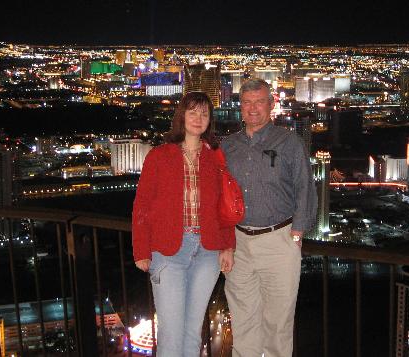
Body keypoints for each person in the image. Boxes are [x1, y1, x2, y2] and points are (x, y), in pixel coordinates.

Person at [132, 91, 235, 357]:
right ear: (182, 116)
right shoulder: (159, 156)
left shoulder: (215, 158)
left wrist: (228, 246)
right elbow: (142, 205)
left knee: (192, 331)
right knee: (171, 332)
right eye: (192, 112)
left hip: (207, 250)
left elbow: (223, 207)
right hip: (168, 251)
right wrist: (141, 250)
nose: (198, 118)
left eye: (204, 113)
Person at [221, 78, 317, 357]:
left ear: (271, 105)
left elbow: (305, 187)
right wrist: (225, 239)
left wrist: (297, 233)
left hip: (279, 240)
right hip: (238, 243)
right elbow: (219, 195)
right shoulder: (228, 146)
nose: (253, 109)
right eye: (247, 102)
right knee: (243, 322)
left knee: (278, 324)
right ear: (239, 107)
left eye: (259, 102)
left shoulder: (289, 143)